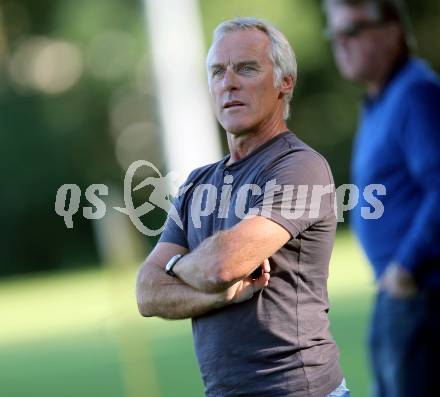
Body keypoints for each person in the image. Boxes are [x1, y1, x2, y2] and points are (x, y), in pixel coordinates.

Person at [137, 17, 348, 397]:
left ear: (285, 81)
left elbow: (224, 264)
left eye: (246, 68)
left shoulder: (300, 166)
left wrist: (176, 268)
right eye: (218, 71)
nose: (228, 82)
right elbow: (147, 293)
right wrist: (215, 295)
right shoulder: (197, 183)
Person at [324, 0, 440, 396]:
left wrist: (406, 266)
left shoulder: (415, 94)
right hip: (397, 294)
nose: (341, 43)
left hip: (421, 296)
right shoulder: (380, 101)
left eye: (352, 30)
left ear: (392, 32)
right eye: (334, 34)